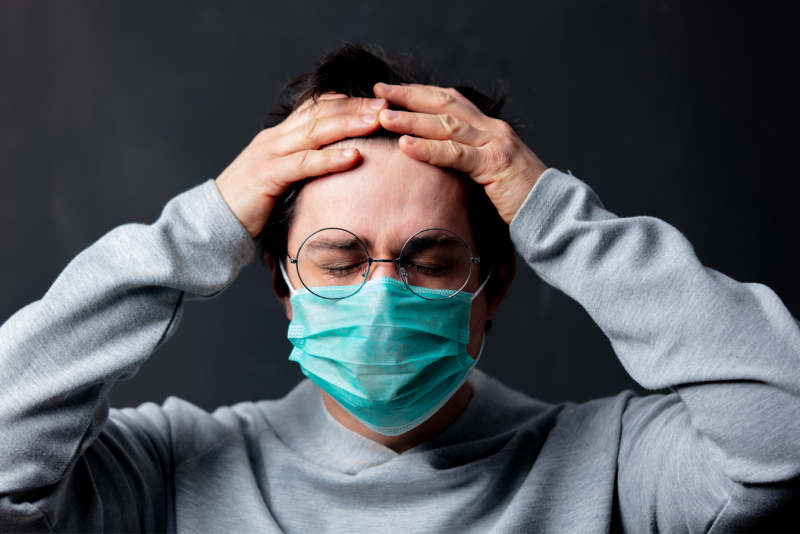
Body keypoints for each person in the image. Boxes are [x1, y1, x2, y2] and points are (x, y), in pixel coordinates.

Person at [0, 43, 797, 533]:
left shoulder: (615, 466)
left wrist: (551, 210)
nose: (383, 294)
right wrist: (203, 225)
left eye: (429, 260)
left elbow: (785, 440)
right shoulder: (172, 470)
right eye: (340, 261)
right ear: (282, 283)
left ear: (494, 283)